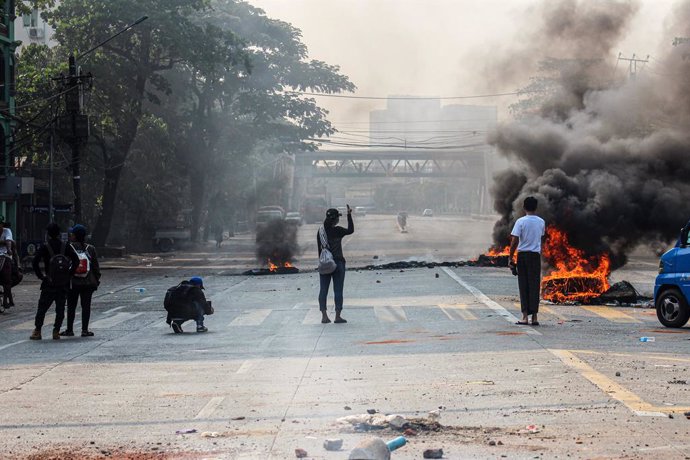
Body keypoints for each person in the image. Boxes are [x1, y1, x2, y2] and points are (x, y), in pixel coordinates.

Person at [30, 223, 80, 340]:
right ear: (59, 234)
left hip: (49, 282)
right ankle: (56, 331)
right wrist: (69, 274)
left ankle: (37, 331)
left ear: (48, 234)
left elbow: (35, 262)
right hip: (63, 283)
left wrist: (41, 276)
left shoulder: (45, 246)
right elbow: (76, 260)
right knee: (60, 308)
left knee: (42, 307)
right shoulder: (65, 246)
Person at [509, 196, 546, 326]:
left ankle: (525, 317)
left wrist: (510, 257)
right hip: (535, 256)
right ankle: (534, 317)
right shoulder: (541, 222)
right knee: (534, 286)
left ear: (524, 207)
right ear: (536, 208)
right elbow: (540, 237)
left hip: (523, 256)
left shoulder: (520, 221)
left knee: (524, 285)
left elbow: (514, 241)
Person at [61, 224, 101, 337]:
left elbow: (64, 264)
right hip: (88, 283)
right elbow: (96, 268)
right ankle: (84, 330)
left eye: (72, 234)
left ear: (74, 235)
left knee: (71, 306)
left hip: (73, 282)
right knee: (86, 306)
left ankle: (69, 329)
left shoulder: (68, 248)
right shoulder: (91, 248)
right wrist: (96, 280)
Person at [317, 205, 354, 324]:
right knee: (338, 290)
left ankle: (324, 316)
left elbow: (320, 250)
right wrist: (349, 215)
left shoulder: (321, 231)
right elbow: (350, 230)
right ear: (335, 219)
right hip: (338, 263)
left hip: (324, 264)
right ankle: (337, 316)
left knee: (323, 290)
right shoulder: (337, 230)